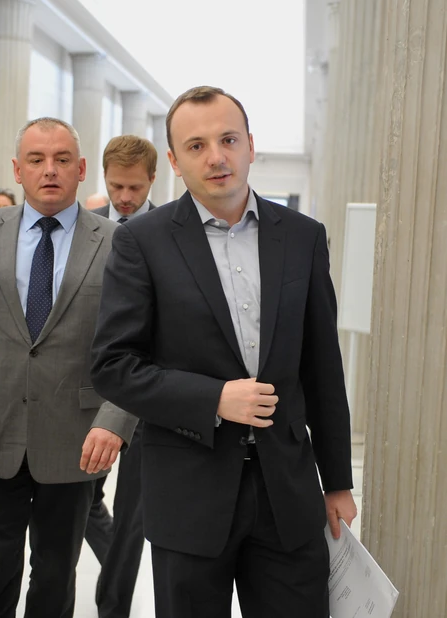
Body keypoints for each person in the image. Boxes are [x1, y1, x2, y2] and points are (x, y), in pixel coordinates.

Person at [90, 86, 357, 618]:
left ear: (250, 146)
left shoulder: (303, 236)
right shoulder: (141, 241)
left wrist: (338, 482)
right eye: (196, 146)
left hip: (287, 493)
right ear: (174, 161)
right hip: (189, 494)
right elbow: (113, 366)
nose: (216, 157)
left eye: (228, 140)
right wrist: (213, 398)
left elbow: (323, 369)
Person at [0, 117, 137, 618]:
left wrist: (115, 421)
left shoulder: (117, 243)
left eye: (62, 160)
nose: (50, 170)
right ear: (17, 169)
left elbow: (136, 342)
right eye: (37, 160)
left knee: (55, 578)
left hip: (74, 439)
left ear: (81, 169)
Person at [86, 134, 159, 618]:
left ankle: (112, 607)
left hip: (145, 395)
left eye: (135, 187)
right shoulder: (86, 227)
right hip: (84, 390)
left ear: (153, 179)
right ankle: (111, 585)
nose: (125, 197)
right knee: (82, 503)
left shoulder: (168, 233)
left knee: (133, 517)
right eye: (116, 187)